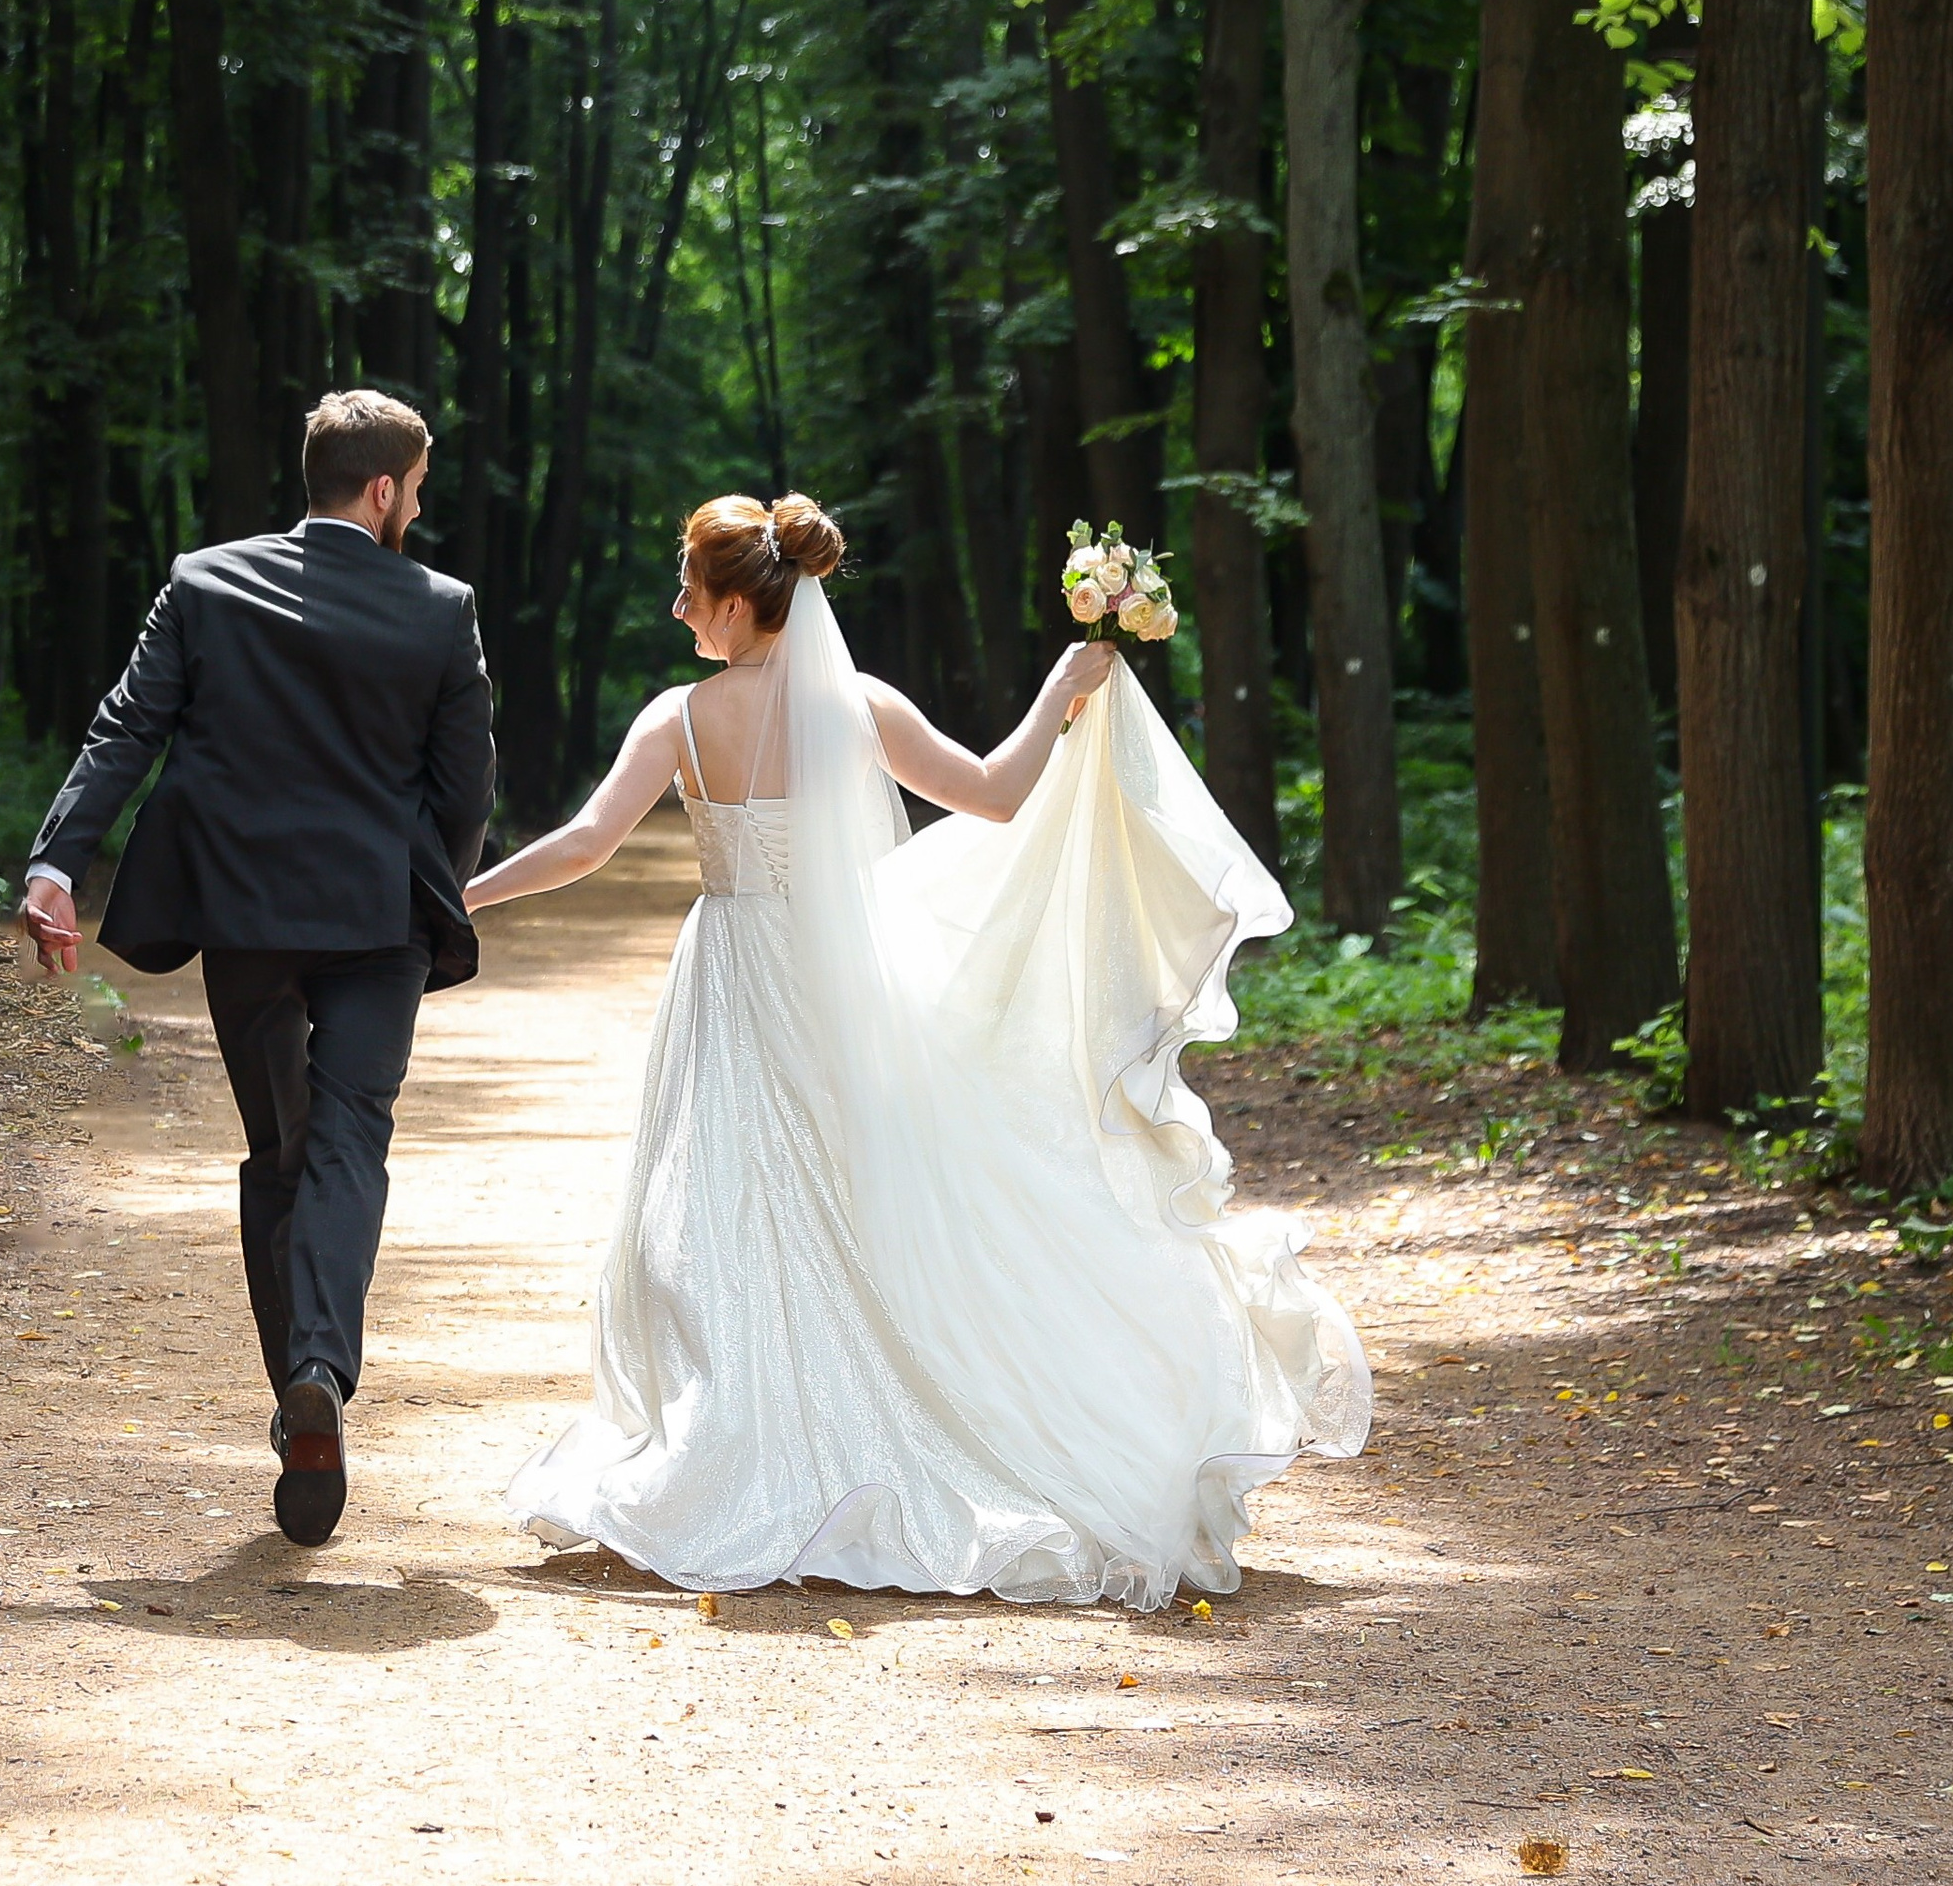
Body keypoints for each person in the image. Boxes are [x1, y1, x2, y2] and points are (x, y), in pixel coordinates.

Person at [464, 492, 1368, 1607]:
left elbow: (586, 843)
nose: (677, 609)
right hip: (842, 981)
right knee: (857, 1195)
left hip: (738, 976)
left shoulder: (680, 717)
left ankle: (749, 1441)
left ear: (738, 604)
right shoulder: (863, 706)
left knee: (717, 1208)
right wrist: (1056, 695)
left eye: (689, 593)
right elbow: (993, 795)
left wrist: (466, 895)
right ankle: (819, 1432)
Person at [21, 390, 495, 1547]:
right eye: (417, 487)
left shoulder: (203, 582)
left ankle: (299, 1385)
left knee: (279, 1151)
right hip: (378, 922)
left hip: (245, 919)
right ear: (384, 488)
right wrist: (431, 887)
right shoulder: (441, 609)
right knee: (350, 1138)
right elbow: (465, 787)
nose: (415, 506)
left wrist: (55, 864)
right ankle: (321, 1371)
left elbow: (125, 725)